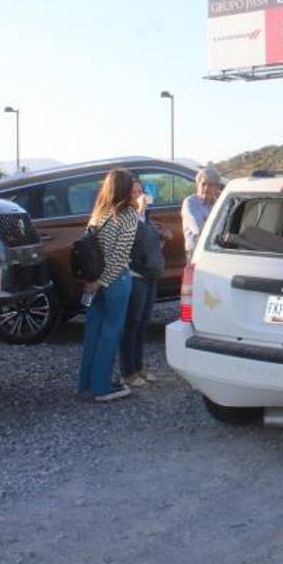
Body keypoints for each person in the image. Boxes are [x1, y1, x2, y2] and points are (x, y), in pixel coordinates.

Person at [78, 168, 140, 402]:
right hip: (116, 281)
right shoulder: (128, 216)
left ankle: (86, 383)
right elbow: (119, 255)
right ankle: (102, 387)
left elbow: (87, 249)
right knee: (111, 333)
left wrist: (91, 282)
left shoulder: (98, 213)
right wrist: (103, 282)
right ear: (125, 189)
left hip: (92, 279)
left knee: (93, 332)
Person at [119, 180, 165, 387]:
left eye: (140, 191)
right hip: (134, 275)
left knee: (142, 324)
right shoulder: (126, 216)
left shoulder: (145, 215)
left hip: (149, 274)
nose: (139, 196)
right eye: (134, 192)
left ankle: (138, 368)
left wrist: (163, 237)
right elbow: (134, 239)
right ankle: (127, 371)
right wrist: (141, 210)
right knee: (132, 324)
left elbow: (149, 243)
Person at [181, 167, 223, 256]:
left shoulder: (220, 203)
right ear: (197, 185)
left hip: (215, 251)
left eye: (210, 185)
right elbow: (200, 228)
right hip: (195, 252)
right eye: (203, 184)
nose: (206, 188)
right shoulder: (190, 202)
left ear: (217, 188)